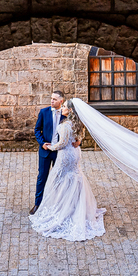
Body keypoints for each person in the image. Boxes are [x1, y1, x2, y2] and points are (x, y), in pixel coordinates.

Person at [29, 103, 106, 242]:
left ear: (69, 110)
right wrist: (78, 140)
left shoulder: (65, 125)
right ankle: (75, 206)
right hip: (75, 153)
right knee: (74, 178)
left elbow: (62, 143)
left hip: (65, 155)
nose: (61, 107)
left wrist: (50, 147)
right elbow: (78, 135)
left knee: (59, 178)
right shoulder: (76, 123)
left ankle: (64, 208)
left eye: (64, 105)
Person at [31, 90, 65, 215]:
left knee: (58, 178)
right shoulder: (44, 112)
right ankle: (37, 204)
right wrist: (42, 143)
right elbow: (37, 130)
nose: (52, 101)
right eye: (51, 98)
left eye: (55, 99)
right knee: (42, 178)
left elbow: (74, 130)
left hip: (59, 152)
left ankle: (57, 204)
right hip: (45, 151)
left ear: (61, 101)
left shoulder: (66, 114)